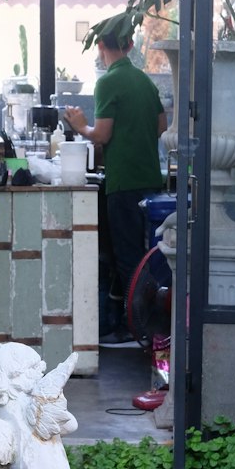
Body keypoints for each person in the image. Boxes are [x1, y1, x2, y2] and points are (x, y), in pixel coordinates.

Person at [64, 24, 166, 345]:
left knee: (126, 256)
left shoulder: (108, 82)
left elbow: (102, 135)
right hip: (151, 178)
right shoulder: (145, 80)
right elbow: (162, 125)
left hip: (122, 182)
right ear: (131, 44)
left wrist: (80, 126)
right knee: (149, 253)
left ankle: (131, 324)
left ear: (100, 47)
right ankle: (151, 323)